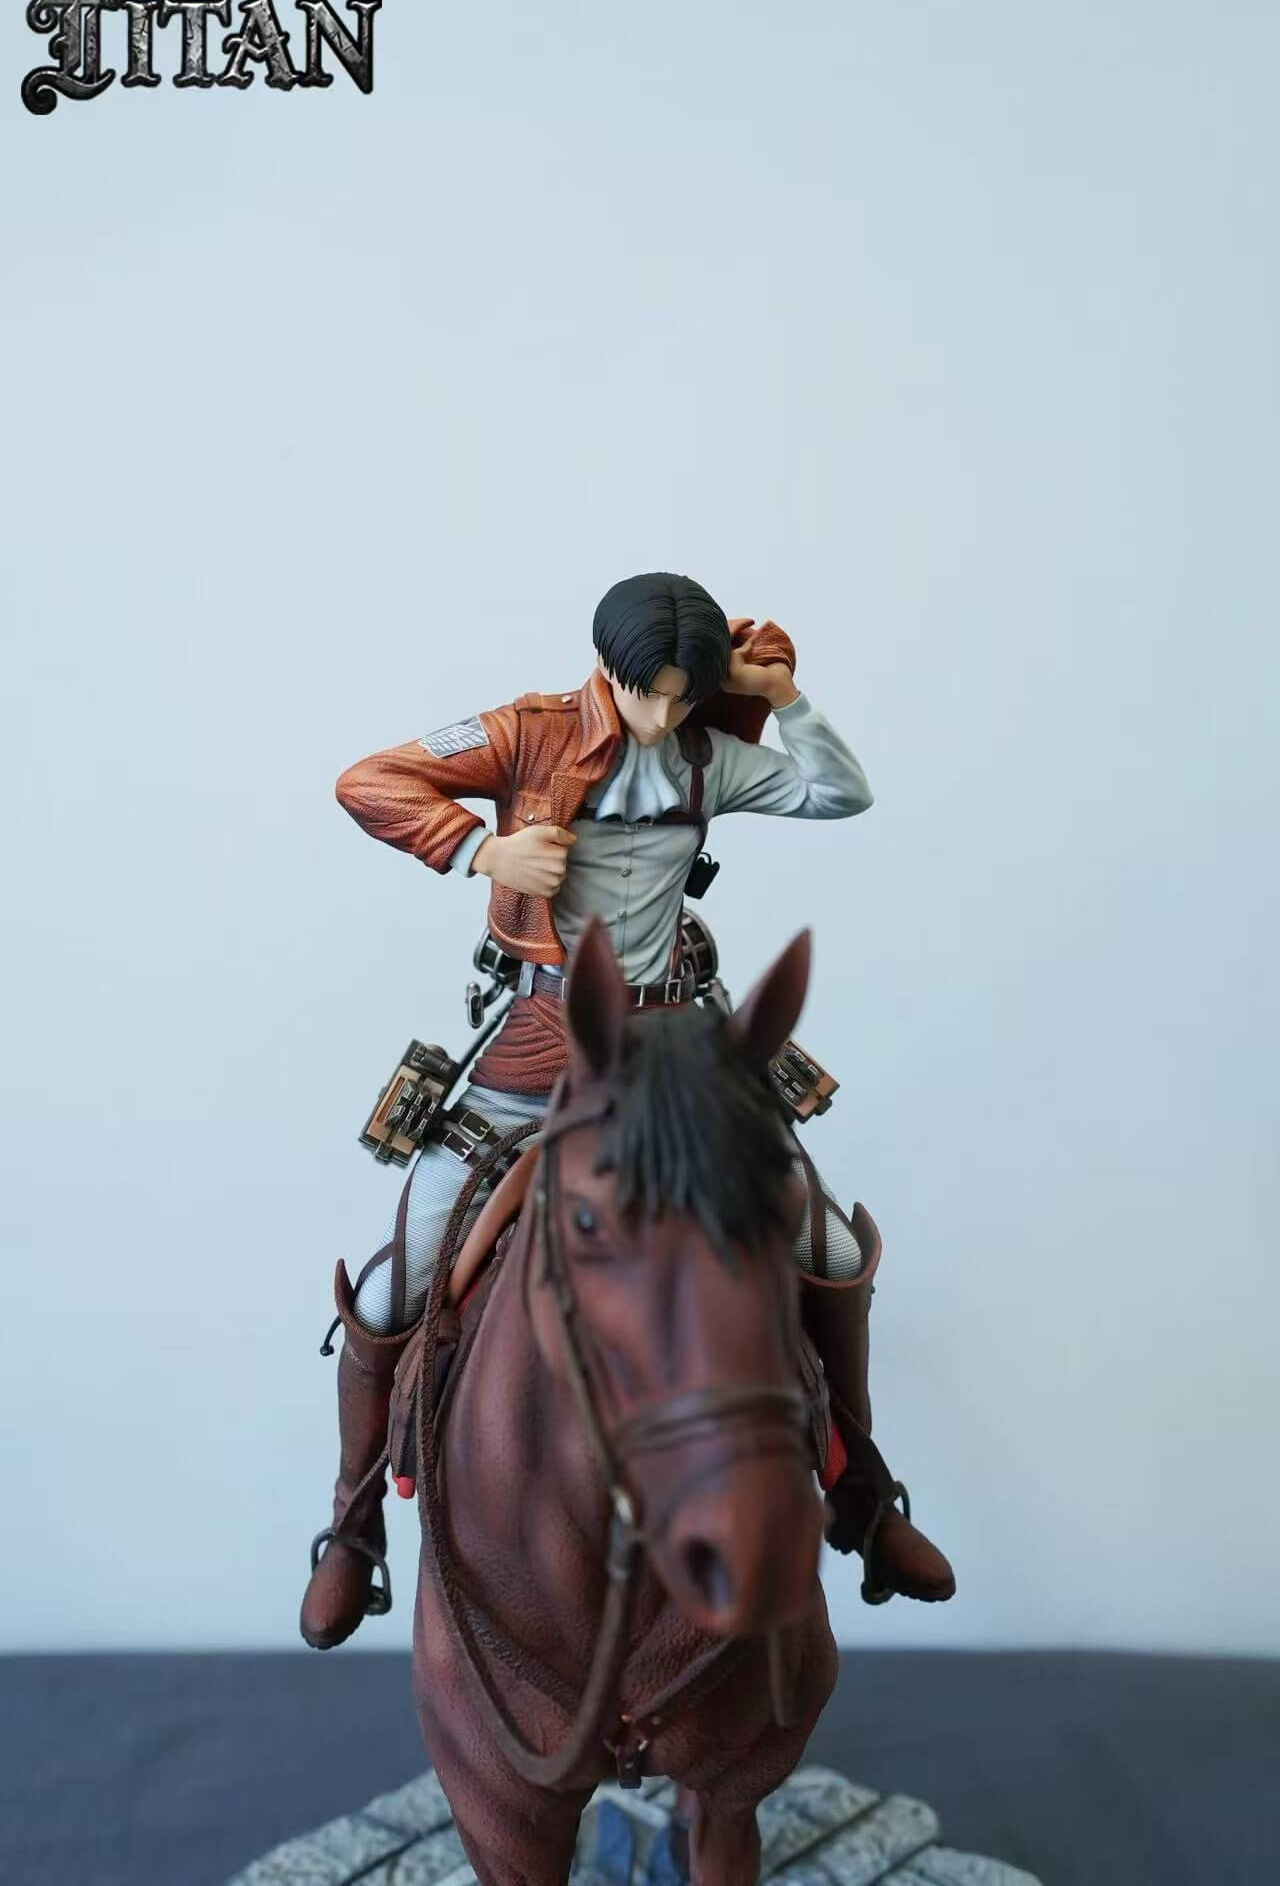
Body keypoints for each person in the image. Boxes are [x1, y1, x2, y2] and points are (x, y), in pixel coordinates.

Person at [300, 573, 954, 1649]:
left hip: (677, 1046)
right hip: (538, 1041)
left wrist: (783, 698)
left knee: (827, 1246)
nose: (665, 715)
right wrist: (480, 849)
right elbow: (367, 780)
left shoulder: (704, 755)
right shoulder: (526, 733)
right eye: (651, 692)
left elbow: (838, 793)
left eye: (687, 695)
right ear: (610, 668)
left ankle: (865, 1498)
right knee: (394, 1284)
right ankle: (354, 1523)